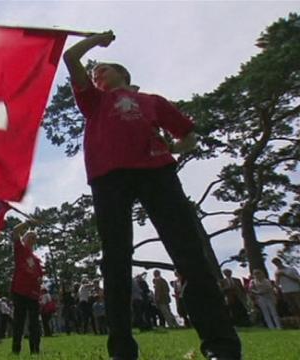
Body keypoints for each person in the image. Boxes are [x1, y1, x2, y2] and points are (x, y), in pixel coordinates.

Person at [63, 31, 242, 360]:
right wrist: (96, 41)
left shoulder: (152, 101)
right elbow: (70, 58)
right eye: (94, 72)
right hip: (108, 178)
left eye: (104, 68)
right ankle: (122, 350)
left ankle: (221, 346)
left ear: (124, 75)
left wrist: (175, 146)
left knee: (189, 254)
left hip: (157, 172)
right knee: (115, 261)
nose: (96, 72)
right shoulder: (94, 101)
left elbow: (188, 135)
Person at [10, 220, 43, 355]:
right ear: (24, 238)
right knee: (19, 322)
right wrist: (27, 223)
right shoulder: (20, 249)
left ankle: (35, 350)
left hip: (33, 294)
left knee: (34, 323)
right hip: (19, 291)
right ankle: (16, 350)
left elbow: (40, 277)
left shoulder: (36, 260)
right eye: (30, 237)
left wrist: (39, 280)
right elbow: (14, 231)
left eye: (35, 238)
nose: (33, 239)